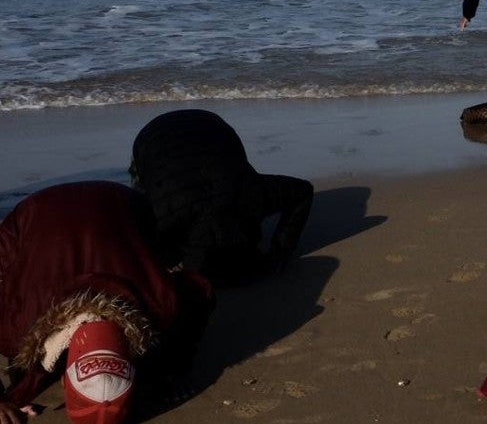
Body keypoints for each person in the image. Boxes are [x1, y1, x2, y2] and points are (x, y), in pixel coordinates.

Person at [0, 181, 215, 424]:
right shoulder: (15, 328)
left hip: (115, 199)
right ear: (63, 381)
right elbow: (200, 290)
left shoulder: (162, 304)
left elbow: (202, 287)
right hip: (35, 212)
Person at [129, 109, 314, 287]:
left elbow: (302, 191)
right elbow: (302, 192)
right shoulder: (162, 213)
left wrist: (281, 249)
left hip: (208, 130)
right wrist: (279, 251)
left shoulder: (252, 194)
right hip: (159, 137)